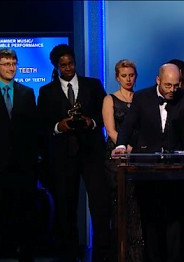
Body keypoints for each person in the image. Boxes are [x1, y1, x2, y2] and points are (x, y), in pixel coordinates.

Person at [113, 63, 184, 262]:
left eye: (176, 85)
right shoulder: (141, 97)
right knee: (150, 219)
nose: (173, 90)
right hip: (147, 168)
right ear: (158, 81)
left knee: (175, 219)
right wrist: (121, 145)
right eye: (168, 86)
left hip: (174, 170)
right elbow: (128, 124)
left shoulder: (183, 97)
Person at [37, 44, 110, 262]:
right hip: (63, 157)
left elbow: (104, 113)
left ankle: (102, 254)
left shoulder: (93, 85)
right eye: (63, 65)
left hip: (92, 154)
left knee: (100, 205)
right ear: (55, 66)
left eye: (71, 63)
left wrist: (93, 121)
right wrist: (59, 126)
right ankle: (69, 255)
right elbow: (42, 123)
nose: (68, 68)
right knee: (66, 208)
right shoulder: (46, 92)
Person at [0, 48, 38, 262]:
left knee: (23, 212)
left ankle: (23, 253)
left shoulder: (27, 93)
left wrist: (34, 159)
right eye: (6, 64)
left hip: (22, 165)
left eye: (14, 64)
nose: (11, 68)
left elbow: (33, 130)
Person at [102, 59, 143, 261]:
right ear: (117, 77)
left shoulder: (142, 99)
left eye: (131, 75)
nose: (128, 79)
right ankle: (120, 253)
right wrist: (128, 148)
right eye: (124, 75)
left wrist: (139, 150)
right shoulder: (110, 99)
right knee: (120, 205)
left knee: (138, 206)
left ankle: (138, 254)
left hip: (138, 158)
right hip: (117, 158)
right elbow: (110, 130)